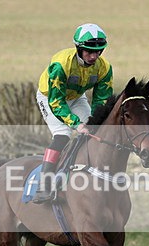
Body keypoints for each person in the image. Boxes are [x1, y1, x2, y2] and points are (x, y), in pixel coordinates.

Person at [32, 23, 113, 203]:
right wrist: (76, 124)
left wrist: (93, 123)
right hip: (50, 98)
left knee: (94, 131)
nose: (94, 56)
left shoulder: (104, 68)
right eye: (89, 51)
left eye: (98, 51)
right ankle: (43, 186)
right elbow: (56, 101)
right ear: (78, 48)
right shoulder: (61, 65)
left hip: (76, 97)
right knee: (63, 135)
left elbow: (102, 101)